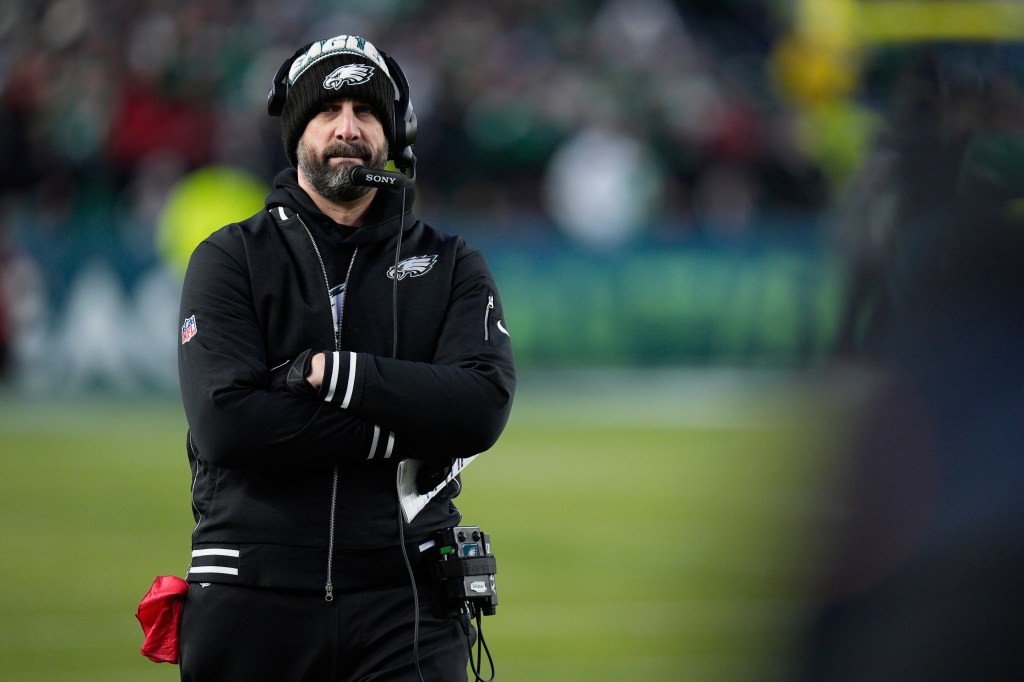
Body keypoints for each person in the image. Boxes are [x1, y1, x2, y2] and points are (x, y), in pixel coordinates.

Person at [175, 34, 516, 681]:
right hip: (251, 591)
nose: (347, 129)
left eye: (366, 112)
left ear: (394, 134)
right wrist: (409, 418)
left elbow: (481, 409)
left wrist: (329, 375)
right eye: (327, 112)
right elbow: (227, 424)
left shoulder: (451, 263)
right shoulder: (229, 258)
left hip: (408, 600)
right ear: (296, 131)